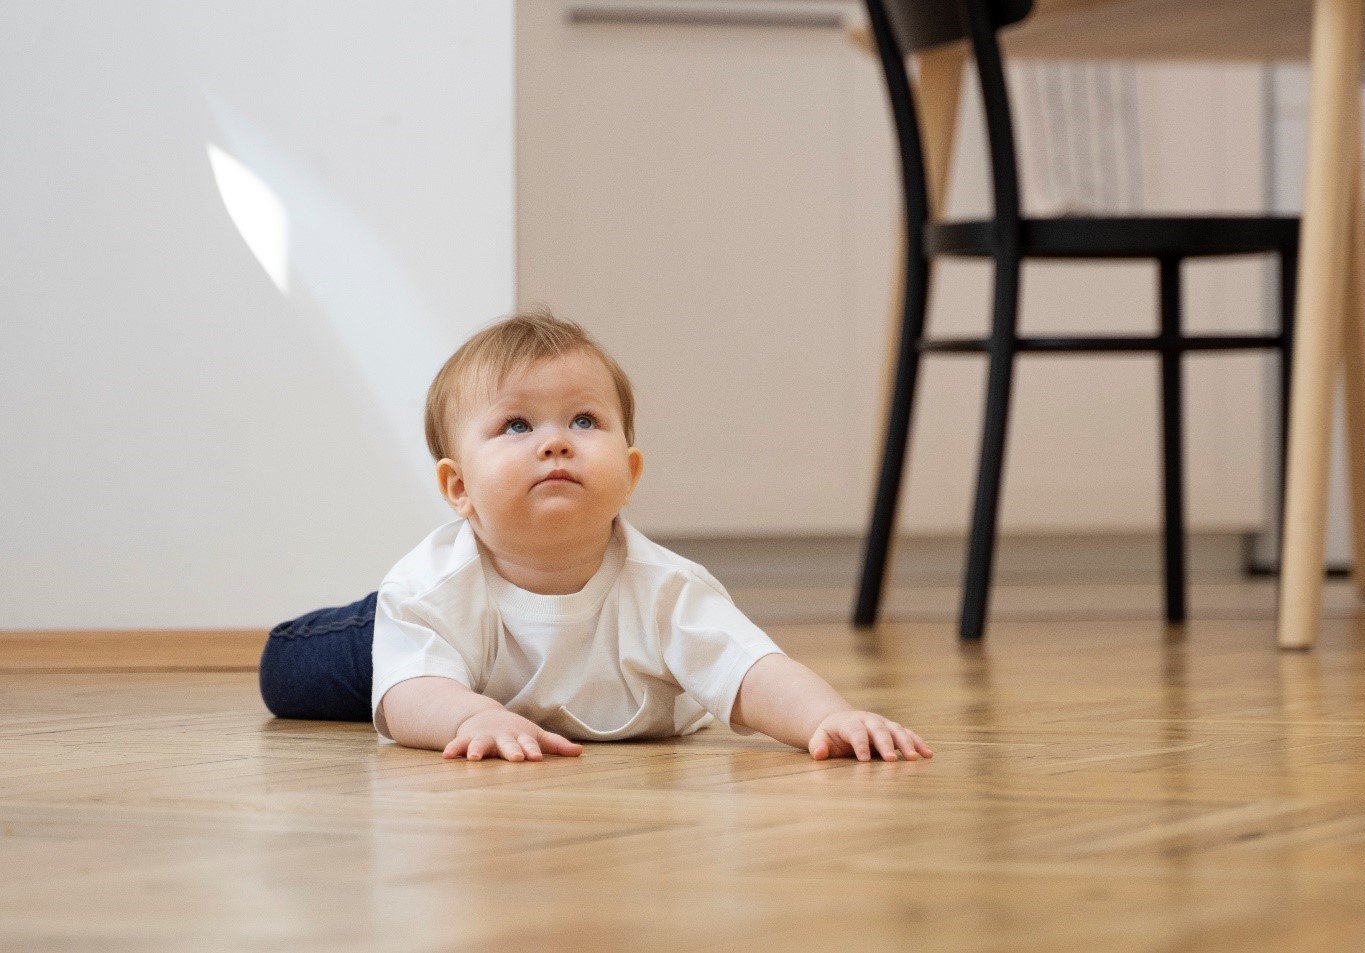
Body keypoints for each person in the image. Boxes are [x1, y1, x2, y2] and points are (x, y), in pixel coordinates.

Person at [259, 307, 933, 764]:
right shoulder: (430, 587)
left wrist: (829, 717)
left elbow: (754, 669)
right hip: (408, 635)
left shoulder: (666, 591)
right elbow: (410, 695)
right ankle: (362, 642)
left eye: (583, 420)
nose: (554, 442)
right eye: (517, 426)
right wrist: (469, 719)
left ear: (630, 471)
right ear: (458, 488)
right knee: (290, 674)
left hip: (492, 665)